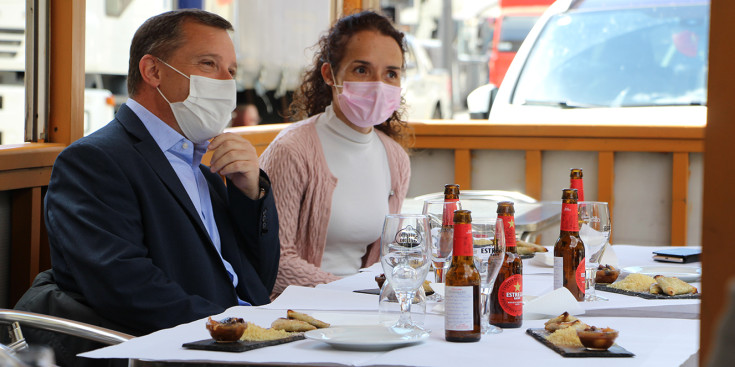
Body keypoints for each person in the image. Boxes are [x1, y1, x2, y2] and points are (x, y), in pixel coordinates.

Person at [14, 8, 280, 357]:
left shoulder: (206, 164)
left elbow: (258, 279)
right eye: (208, 64)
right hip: (179, 349)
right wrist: (238, 329)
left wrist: (250, 193)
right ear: (153, 71)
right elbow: (125, 286)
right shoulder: (95, 161)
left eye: (231, 70)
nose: (226, 81)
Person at [259, 10, 411, 295]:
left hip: (362, 307)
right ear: (329, 74)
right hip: (300, 313)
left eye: (391, 73)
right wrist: (352, 292)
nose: (378, 85)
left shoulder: (395, 158)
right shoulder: (292, 149)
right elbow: (275, 263)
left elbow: (385, 258)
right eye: (361, 69)